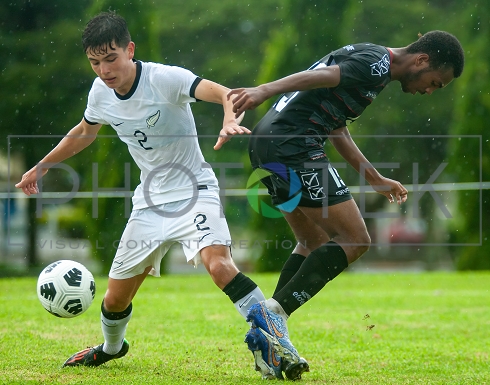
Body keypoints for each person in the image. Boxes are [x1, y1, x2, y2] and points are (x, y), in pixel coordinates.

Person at [14, 11, 295, 380]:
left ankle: (278, 346)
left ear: (130, 49)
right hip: (148, 202)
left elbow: (226, 93)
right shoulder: (100, 91)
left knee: (220, 266)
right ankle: (111, 349)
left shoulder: (165, 79)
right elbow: (85, 130)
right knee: (115, 301)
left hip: (195, 189)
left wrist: (229, 118)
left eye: (111, 58)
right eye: (95, 62)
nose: (104, 70)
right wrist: (42, 165)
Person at [227, 30, 465, 380]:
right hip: (294, 145)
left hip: (269, 144)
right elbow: (324, 77)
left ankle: (273, 345)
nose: (429, 91)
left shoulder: (373, 65)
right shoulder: (377, 63)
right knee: (356, 239)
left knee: (313, 244)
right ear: (421, 60)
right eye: (435, 83)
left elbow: (336, 125)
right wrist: (264, 89)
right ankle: (274, 312)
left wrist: (373, 177)